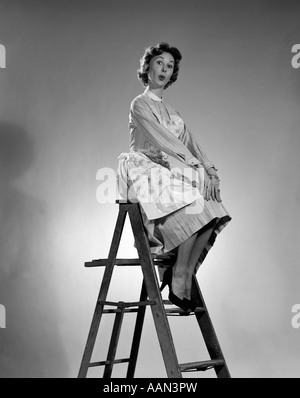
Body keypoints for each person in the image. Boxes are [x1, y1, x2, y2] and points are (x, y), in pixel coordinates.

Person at [117, 42, 231, 313]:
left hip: (170, 170)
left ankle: (184, 272)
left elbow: (191, 143)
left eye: (170, 66)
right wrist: (193, 165)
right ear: (147, 67)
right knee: (193, 197)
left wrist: (210, 169)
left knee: (213, 207)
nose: (164, 69)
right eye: (159, 63)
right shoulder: (139, 104)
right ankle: (178, 273)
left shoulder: (174, 112)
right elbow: (163, 139)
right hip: (144, 168)